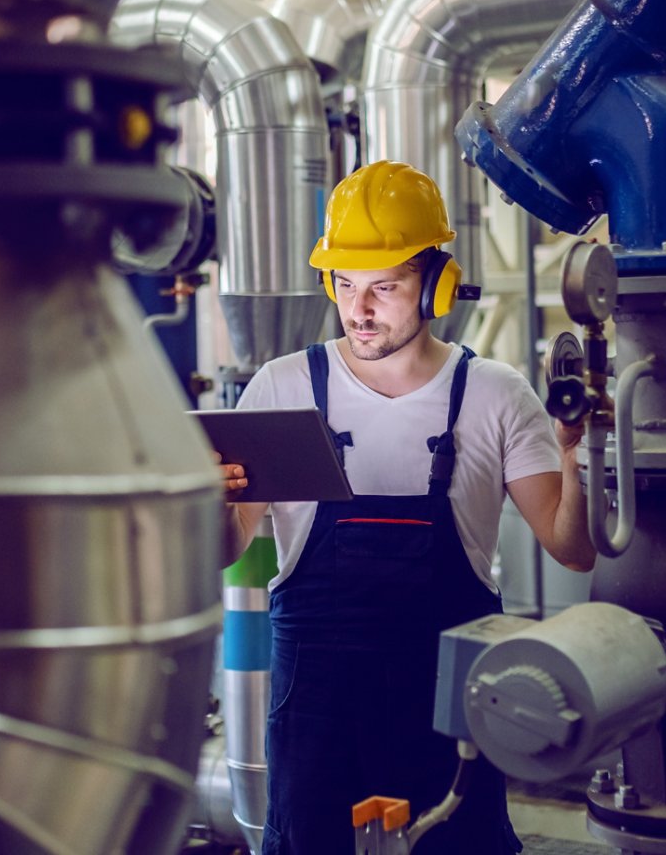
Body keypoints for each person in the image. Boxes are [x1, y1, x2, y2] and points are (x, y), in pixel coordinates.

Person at [222, 160, 594, 855]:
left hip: (449, 713)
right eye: (345, 285)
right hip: (317, 721)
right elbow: (228, 549)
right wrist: (215, 501)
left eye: (384, 288)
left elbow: (572, 548)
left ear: (437, 283)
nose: (359, 311)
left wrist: (576, 454)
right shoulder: (283, 387)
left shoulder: (493, 393)